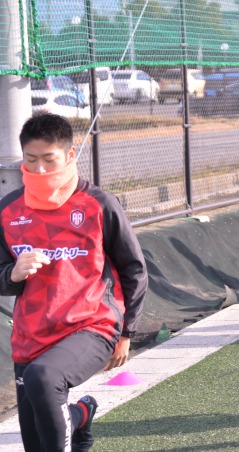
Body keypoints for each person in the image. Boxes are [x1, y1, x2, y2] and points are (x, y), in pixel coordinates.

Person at [0, 113, 148, 451]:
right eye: (30, 160)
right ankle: (81, 414)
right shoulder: (7, 210)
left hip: (92, 325)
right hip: (31, 335)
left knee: (44, 377)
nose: (39, 169)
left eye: (48, 159)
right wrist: (13, 274)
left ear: (69, 155)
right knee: (37, 440)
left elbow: (134, 268)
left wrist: (127, 332)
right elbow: (1, 277)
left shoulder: (99, 204)